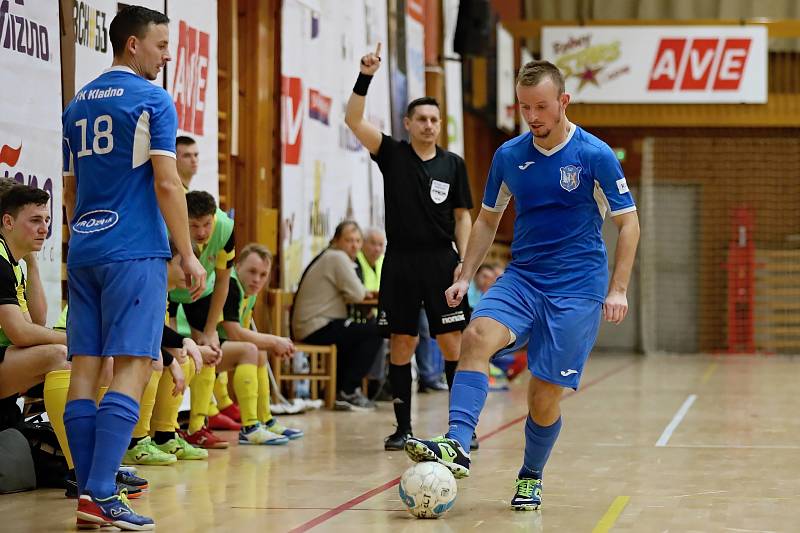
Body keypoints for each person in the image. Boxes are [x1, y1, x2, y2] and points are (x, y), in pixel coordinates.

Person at [404, 60, 640, 511]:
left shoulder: (595, 155)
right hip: (524, 278)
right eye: (525, 106)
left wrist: (618, 289)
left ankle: (530, 475)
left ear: (563, 102)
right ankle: (458, 443)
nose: (533, 116)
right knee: (475, 336)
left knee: (543, 395)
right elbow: (488, 218)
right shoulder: (510, 155)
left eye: (542, 107)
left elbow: (629, 225)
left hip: (577, 289)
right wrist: (466, 274)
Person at [61, 6, 206, 530]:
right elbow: (168, 184)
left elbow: (71, 191)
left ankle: (88, 492)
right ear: (132, 46)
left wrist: (86, 238)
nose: (167, 56)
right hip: (134, 250)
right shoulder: (151, 100)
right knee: (132, 366)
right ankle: (101, 492)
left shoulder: (76, 105)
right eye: (163, 45)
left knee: (84, 369)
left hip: (86, 250)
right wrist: (187, 254)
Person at [346, 44, 474, 451]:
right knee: (403, 341)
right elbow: (353, 119)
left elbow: (463, 217)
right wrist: (366, 74)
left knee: (453, 343)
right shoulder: (392, 153)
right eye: (421, 118)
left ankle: (460, 429)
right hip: (399, 261)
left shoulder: (453, 164)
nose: (429, 124)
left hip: (442, 261)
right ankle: (403, 428)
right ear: (408, 122)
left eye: (435, 119)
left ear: (440, 124)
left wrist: (465, 265)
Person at [292, 220, 382, 410]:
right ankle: (348, 391)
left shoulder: (330, 256)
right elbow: (357, 294)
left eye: (358, 241)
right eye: (349, 240)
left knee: (356, 334)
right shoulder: (337, 257)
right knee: (376, 331)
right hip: (316, 326)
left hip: (315, 325)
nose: (354, 245)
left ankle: (341, 390)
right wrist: (365, 293)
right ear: (336, 240)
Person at [218, 243, 303, 440]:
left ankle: (265, 420)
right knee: (250, 350)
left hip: (214, 348)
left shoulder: (250, 294)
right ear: (238, 266)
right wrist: (274, 341)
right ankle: (249, 428)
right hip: (194, 342)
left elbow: (243, 334)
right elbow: (235, 334)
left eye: (263, 275)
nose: (257, 279)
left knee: (258, 351)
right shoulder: (230, 285)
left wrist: (269, 344)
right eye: (252, 272)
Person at [0, 185, 69, 404]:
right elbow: (20, 333)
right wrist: (75, 340)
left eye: (47, 220)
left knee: (90, 359)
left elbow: (34, 321)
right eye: (35, 220)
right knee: (61, 355)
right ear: (8, 222)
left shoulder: (13, 262)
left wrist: (31, 262)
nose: (44, 229)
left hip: (5, 355)